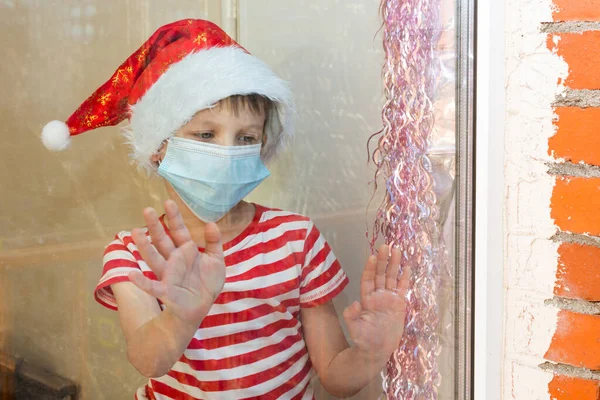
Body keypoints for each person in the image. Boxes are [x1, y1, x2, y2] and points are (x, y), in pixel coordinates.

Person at [41, 19, 410, 400]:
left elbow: (334, 376)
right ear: (158, 145)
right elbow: (148, 360)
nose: (227, 152)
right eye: (205, 134)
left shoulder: (296, 239)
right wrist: (181, 318)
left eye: (246, 137)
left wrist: (372, 351)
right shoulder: (133, 253)